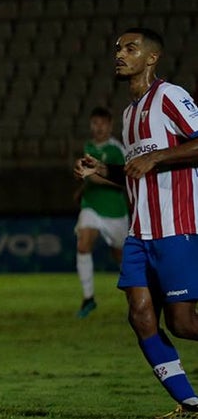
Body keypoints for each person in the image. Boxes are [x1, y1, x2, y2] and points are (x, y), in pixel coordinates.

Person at [74, 27, 198, 419]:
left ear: (152, 58)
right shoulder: (128, 115)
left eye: (130, 48)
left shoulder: (171, 96)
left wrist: (158, 157)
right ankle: (191, 404)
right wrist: (101, 169)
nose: (120, 54)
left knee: (182, 323)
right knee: (140, 315)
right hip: (140, 232)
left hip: (176, 226)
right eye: (117, 49)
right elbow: (135, 171)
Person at [71, 106, 127, 319]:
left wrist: (94, 178)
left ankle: (137, 294)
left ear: (110, 125)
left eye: (102, 123)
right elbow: (87, 176)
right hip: (91, 206)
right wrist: (82, 189)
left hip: (114, 211)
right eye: (95, 123)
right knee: (83, 244)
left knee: (121, 256)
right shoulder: (88, 147)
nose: (98, 127)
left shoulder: (117, 150)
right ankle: (88, 298)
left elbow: (124, 181)